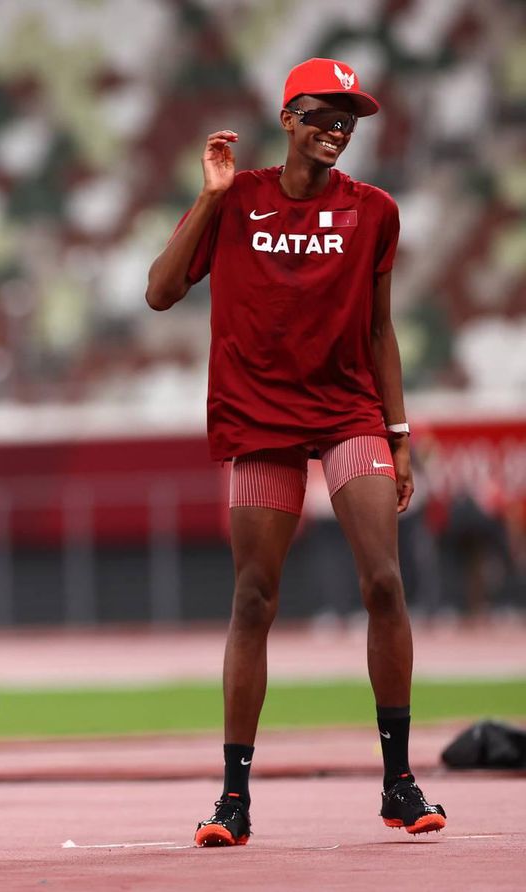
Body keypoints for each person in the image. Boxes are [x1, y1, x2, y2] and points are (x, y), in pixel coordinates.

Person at [145, 58, 446, 845]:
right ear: (287, 117)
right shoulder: (236, 197)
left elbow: (380, 330)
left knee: (384, 581)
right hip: (261, 421)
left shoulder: (374, 211)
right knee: (253, 599)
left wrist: (399, 434)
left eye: (349, 117)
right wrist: (207, 198)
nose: (336, 128)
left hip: (349, 415)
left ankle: (399, 784)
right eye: (322, 113)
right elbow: (160, 290)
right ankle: (233, 799)